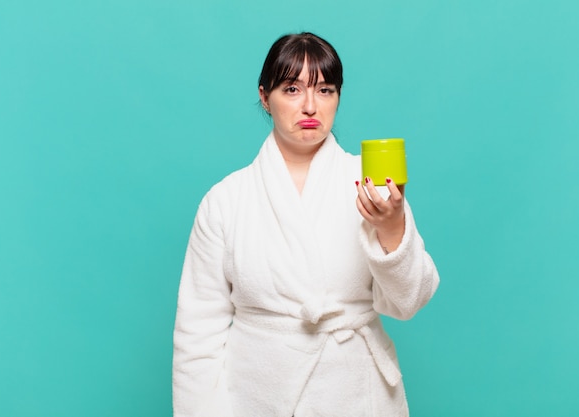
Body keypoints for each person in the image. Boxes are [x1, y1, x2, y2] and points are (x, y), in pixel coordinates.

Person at [172, 32, 439, 417]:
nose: (311, 106)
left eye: (326, 90)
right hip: (258, 397)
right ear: (265, 97)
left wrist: (392, 228)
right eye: (293, 89)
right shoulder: (225, 201)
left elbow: (409, 302)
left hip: (356, 395)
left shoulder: (372, 185)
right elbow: (197, 336)